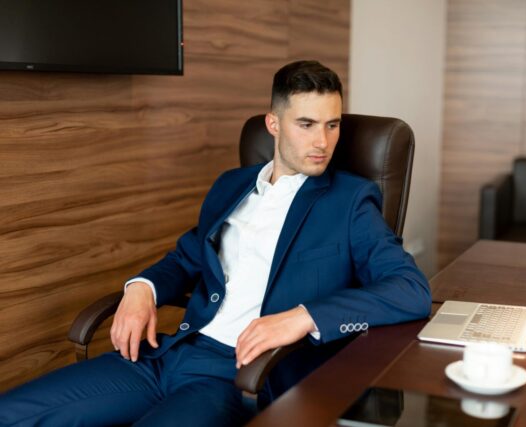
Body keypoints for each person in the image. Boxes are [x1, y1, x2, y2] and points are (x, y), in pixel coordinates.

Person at [0, 60, 431, 427]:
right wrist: (141, 289)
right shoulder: (232, 185)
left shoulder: (350, 201)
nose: (323, 142)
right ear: (274, 124)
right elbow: (185, 258)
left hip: (238, 375)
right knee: (11, 412)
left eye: (332, 124)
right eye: (307, 124)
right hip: (168, 354)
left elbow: (410, 291)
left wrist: (303, 317)